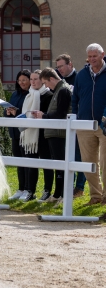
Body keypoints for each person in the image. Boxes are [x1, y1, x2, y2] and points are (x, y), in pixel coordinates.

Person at [72, 43, 106, 205]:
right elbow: (75, 98)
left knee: (105, 162)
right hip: (84, 124)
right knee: (88, 163)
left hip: (104, 124)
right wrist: (76, 117)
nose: (92, 59)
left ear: (102, 55)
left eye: (95, 56)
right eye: (90, 56)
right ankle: (96, 196)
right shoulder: (82, 75)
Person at [34, 68, 73, 203]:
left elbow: (61, 113)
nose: (46, 86)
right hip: (56, 132)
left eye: (46, 83)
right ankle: (57, 195)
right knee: (58, 165)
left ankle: (62, 195)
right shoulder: (59, 90)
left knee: (61, 165)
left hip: (59, 133)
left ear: (51, 79)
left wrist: (43, 116)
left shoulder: (63, 90)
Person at [18, 70, 52, 201]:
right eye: (31, 79)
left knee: (46, 164)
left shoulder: (48, 95)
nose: (33, 82)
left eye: (36, 79)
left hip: (43, 134)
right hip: (29, 135)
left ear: (42, 80)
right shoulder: (29, 95)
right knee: (31, 163)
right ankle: (30, 191)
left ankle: (47, 190)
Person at [56, 53, 86, 196]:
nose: (59, 69)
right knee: (69, 156)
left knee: (80, 156)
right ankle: (69, 186)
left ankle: (79, 187)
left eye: (62, 66)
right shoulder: (59, 80)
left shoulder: (79, 78)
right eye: (58, 67)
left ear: (70, 64)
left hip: (79, 121)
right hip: (65, 124)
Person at [5, 70, 32, 200]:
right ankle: (20, 189)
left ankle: (28, 189)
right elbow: (8, 112)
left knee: (27, 161)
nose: (21, 83)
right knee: (18, 161)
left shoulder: (31, 94)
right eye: (19, 80)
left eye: (24, 80)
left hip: (26, 133)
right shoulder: (15, 94)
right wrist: (8, 112)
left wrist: (17, 112)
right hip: (14, 132)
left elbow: (27, 113)